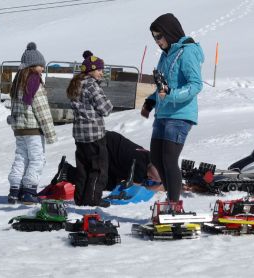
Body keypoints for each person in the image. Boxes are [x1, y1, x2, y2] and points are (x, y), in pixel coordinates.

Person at [141, 13, 204, 202]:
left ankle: (174, 204)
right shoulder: (166, 55)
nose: (157, 41)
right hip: (163, 114)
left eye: (159, 36)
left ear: (169, 32)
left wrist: (171, 95)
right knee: (157, 160)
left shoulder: (187, 51)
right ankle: (171, 199)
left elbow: (196, 85)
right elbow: (163, 86)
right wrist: (151, 101)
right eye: (154, 37)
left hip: (180, 114)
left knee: (169, 159)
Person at [8, 42, 57, 204]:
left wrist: (14, 121)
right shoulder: (34, 82)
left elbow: (14, 109)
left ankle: (15, 189)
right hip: (33, 130)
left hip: (20, 129)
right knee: (37, 159)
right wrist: (50, 134)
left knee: (21, 157)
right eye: (40, 66)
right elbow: (42, 111)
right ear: (32, 66)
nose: (43, 69)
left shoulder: (17, 83)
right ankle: (29, 191)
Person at [66, 50, 113, 207]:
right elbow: (106, 108)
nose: (101, 73)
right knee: (98, 170)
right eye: (99, 70)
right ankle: (92, 199)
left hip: (79, 135)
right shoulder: (92, 85)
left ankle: (80, 199)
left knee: (83, 169)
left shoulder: (77, 83)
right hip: (94, 134)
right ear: (91, 70)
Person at [52, 131, 163, 191]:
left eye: (154, 180)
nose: (151, 178)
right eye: (153, 177)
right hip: (102, 145)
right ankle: (67, 172)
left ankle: (67, 171)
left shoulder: (149, 156)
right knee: (99, 180)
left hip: (107, 143)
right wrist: (155, 187)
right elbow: (135, 189)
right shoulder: (140, 166)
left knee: (109, 184)